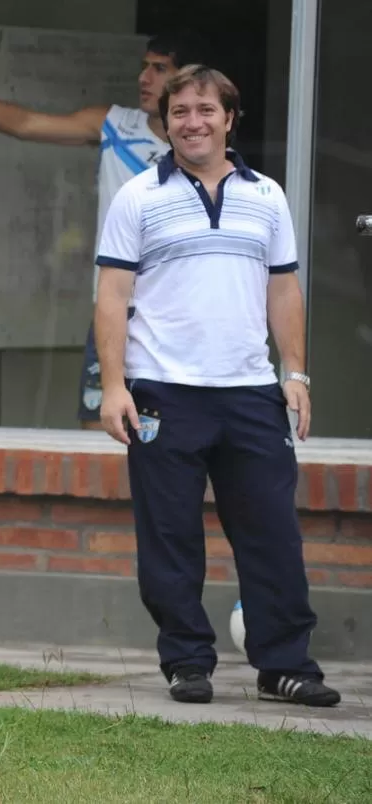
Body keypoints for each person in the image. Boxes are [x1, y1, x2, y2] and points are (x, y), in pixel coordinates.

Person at [93, 64, 340, 707]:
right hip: (161, 393)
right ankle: (187, 661)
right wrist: (113, 386)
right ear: (167, 122)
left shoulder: (268, 197)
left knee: (272, 535)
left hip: (250, 392)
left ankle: (285, 666)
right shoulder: (139, 196)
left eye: (205, 110)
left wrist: (296, 375)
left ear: (230, 118)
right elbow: (112, 296)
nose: (192, 122)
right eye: (180, 112)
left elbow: (283, 289)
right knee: (170, 538)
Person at [0, 33, 203, 428]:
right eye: (143, 67)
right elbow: (27, 124)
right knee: (99, 430)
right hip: (115, 310)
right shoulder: (116, 124)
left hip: (178, 316)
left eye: (159, 69)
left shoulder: (203, 150)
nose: (144, 78)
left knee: (176, 436)